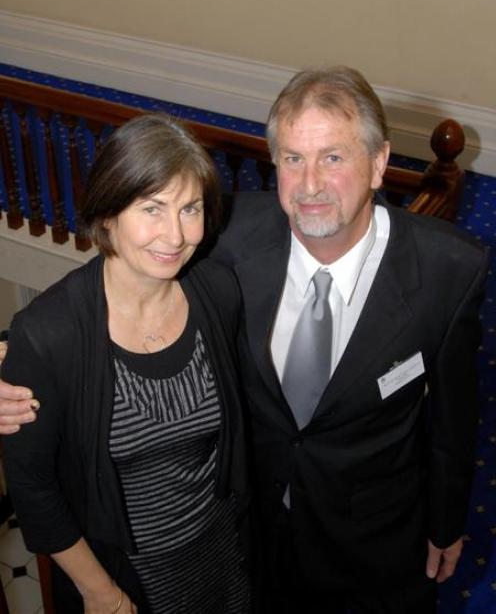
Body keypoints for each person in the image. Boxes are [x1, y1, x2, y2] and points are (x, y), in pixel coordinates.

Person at [0, 67, 490, 614]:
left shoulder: (451, 269)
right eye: (292, 159)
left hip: (374, 542)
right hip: (247, 531)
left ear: (378, 163)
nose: (309, 186)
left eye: (333, 157)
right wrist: (12, 353)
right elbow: (123, 283)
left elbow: (454, 418)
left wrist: (446, 525)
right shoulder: (224, 236)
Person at [0, 113, 251, 613]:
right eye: (152, 208)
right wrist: (100, 591)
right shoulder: (49, 335)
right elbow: (33, 488)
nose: (175, 235)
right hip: (125, 572)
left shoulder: (217, 292)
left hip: (224, 547)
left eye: (190, 208)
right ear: (108, 213)